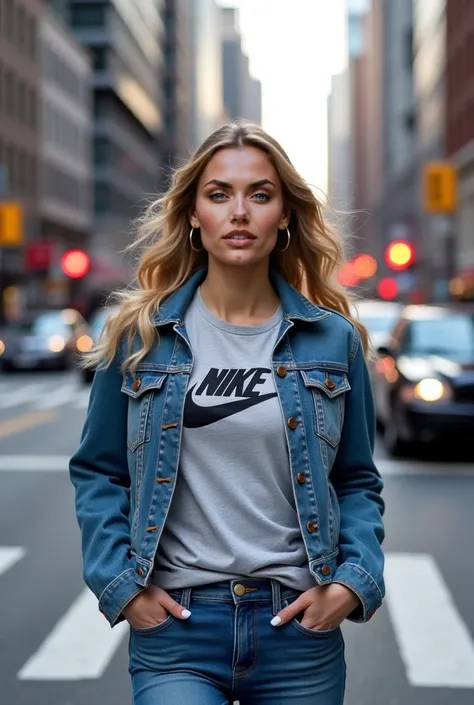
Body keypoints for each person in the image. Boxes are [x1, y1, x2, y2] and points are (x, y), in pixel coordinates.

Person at [69, 120, 385, 705]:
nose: (239, 212)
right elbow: (99, 471)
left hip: (296, 629)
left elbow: (357, 479)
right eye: (219, 194)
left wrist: (350, 583)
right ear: (193, 213)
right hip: (179, 629)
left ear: (285, 215)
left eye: (259, 195)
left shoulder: (333, 341)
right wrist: (123, 586)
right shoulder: (140, 337)